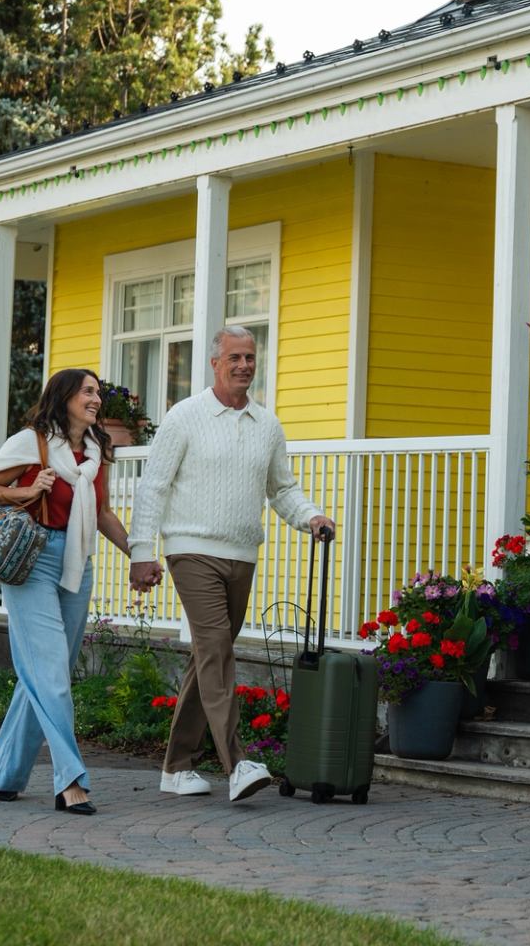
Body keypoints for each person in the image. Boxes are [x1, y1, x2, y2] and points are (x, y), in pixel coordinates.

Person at [129, 325, 334, 802]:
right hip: (191, 549)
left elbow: (281, 489)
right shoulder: (185, 416)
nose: (244, 365)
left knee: (208, 656)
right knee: (218, 648)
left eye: (250, 357)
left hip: (241, 555)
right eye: (234, 357)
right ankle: (237, 763)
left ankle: (176, 767)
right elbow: (154, 486)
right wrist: (142, 551)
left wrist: (310, 516)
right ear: (215, 364)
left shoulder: (267, 424)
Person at [0, 368, 140, 814]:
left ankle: (7, 775)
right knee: (52, 677)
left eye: (98, 392)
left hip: (77, 561)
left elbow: (102, 512)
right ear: (63, 398)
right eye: (87, 392)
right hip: (33, 560)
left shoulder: (96, 451)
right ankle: (71, 780)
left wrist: (138, 555)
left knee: (46, 675)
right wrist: (29, 489)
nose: (96, 399)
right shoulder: (33, 441)